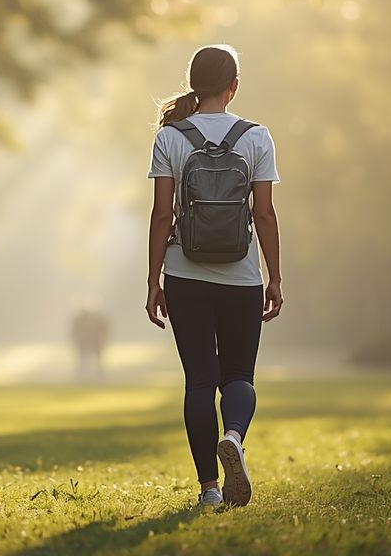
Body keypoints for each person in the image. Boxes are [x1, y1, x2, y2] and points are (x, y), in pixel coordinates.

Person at [145, 44, 283, 509]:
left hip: (184, 275)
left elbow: (162, 214)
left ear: (192, 84)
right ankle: (236, 437)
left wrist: (153, 282)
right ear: (233, 86)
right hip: (242, 276)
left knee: (200, 381)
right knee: (239, 375)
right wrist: (275, 278)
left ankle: (209, 490)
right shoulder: (257, 136)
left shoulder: (170, 137)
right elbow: (263, 215)